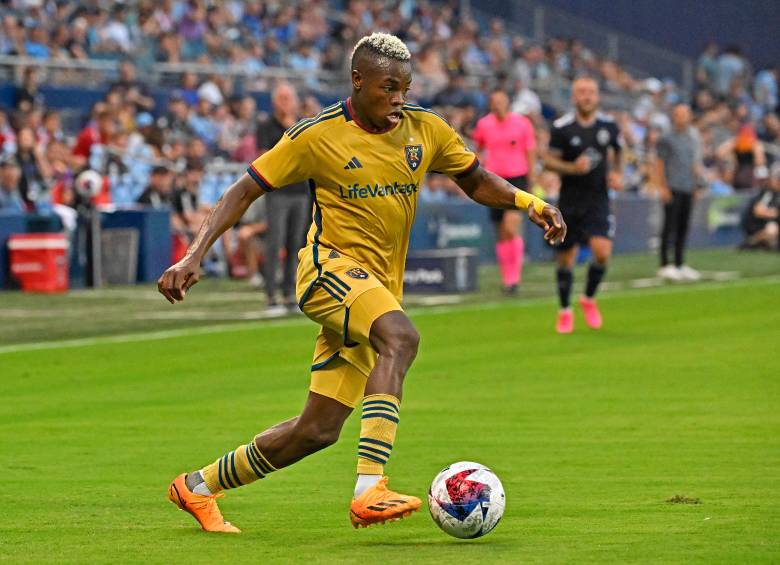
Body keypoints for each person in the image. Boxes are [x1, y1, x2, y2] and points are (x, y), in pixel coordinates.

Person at [158, 32, 565, 534]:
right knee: (402, 337)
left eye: (405, 88)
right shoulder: (317, 134)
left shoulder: (425, 129)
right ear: (358, 80)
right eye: (387, 87)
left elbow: (476, 179)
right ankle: (370, 487)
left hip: (376, 289)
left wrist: (532, 203)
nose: (398, 98)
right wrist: (194, 254)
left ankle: (196, 487)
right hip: (326, 271)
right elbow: (244, 189)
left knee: (317, 430)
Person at [543, 76, 623, 334]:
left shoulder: (609, 126)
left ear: (597, 96)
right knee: (566, 258)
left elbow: (619, 151)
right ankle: (565, 310)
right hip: (571, 200)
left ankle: (588, 298)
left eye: (591, 91)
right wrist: (571, 168)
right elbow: (549, 162)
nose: (587, 96)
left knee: (602, 252)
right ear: (574, 97)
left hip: (599, 198)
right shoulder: (562, 127)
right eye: (582, 92)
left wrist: (617, 173)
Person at [471, 88, 537, 294]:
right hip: (493, 180)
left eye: (501, 101)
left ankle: (514, 278)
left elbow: (530, 151)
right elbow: (478, 147)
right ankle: (508, 280)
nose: (498, 105)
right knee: (500, 232)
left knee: (511, 227)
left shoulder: (522, 123)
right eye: (494, 101)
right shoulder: (484, 124)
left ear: (507, 102)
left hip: (517, 178)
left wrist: (531, 179)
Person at [255, 82, 311, 310]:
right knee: (275, 242)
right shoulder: (266, 126)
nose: (286, 102)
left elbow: (308, 154)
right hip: (278, 191)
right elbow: (265, 158)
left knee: (295, 243)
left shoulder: (302, 125)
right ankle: (270, 293)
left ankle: (289, 292)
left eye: (289, 98)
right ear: (274, 101)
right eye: (282, 98)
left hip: (300, 190)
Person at [655, 104, 704, 282]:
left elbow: (695, 163)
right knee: (669, 226)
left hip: (688, 186)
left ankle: (679, 263)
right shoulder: (666, 138)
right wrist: (662, 186)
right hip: (672, 186)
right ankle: (664, 264)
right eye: (679, 114)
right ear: (673, 116)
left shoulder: (693, 137)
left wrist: (697, 185)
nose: (682, 118)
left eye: (685, 114)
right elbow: (659, 163)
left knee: (683, 226)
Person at [741, 163, 780, 250]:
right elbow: (758, 211)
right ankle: (751, 242)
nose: (778, 182)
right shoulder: (767, 193)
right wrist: (774, 214)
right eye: (777, 179)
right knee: (772, 228)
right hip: (758, 225)